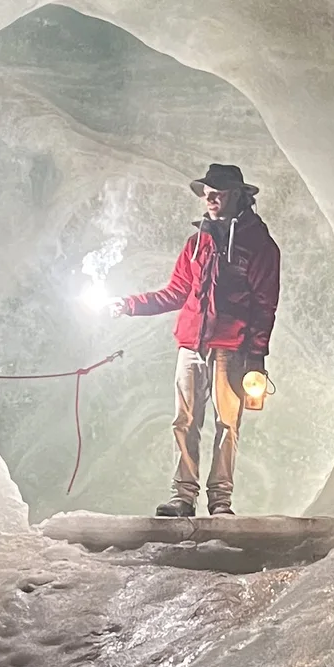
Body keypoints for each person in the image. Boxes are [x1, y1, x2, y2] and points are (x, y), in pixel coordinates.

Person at [109, 162, 280, 517]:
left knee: (226, 425)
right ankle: (183, 496)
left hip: (231, 349)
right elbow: (176, 293)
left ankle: (220, 501)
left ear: (236, 194)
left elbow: (265, 303)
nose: (209, 197)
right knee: (184, 421)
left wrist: (257, 356)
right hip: (191, 345)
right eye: (206, 192)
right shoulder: (196, 243)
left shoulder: (259, 244)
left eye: (216, 191)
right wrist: (128, 305)